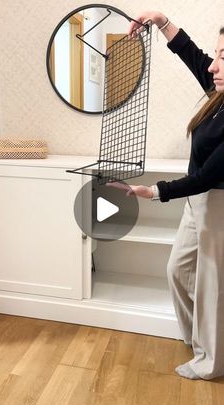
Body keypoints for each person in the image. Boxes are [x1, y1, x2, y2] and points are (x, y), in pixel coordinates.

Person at [107, 11, 224, 380]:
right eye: (219, 53)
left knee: (211, 287)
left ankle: (212, 363)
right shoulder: (218, 94)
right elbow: (192, 54)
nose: (215, 65)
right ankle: (200, 340)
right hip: (199, 202)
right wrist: (160, 20)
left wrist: (155, 191)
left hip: (217, 203)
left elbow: (207, 176)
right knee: (178, 271)